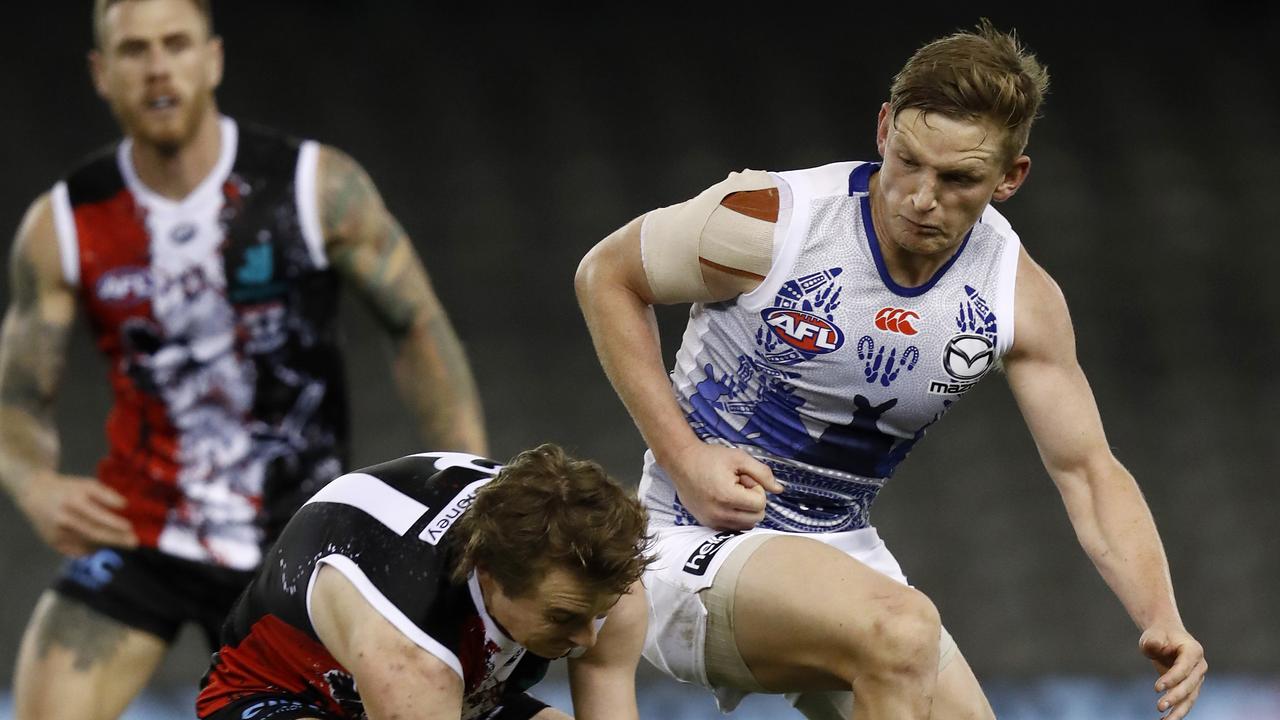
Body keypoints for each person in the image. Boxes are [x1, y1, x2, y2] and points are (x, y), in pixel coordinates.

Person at [575, 19, 1207, 720]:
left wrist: (1161, 616)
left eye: (959, 177)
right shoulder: (767, 223)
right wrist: (685, 457)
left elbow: (1088, 472)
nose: (920, 196)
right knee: (905, 628)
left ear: (1010, 178)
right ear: (883, 130)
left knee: (915, 649)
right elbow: (605, 275)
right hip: (683, 544)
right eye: (907, 160)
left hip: (840, 556)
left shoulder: (1017, 298)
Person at [0, 1, 487, 718]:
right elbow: (19, 394)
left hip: (302, 537)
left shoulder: (312, 187)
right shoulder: (65, 224)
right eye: (134, 51)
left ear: (213, 58)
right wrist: (32, 483)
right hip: (146, 529)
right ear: (102, 74)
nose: (158, 66)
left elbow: (417, 326)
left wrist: (466, 490)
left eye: (176, 43)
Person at [194, 444, 651, 720]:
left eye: (596, 613)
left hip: (456, 690)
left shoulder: (608, 575)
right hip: (281, 698)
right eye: (563, 617)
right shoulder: (413, 653)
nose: (585, 638)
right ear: (488, 575)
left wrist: (584, 612)